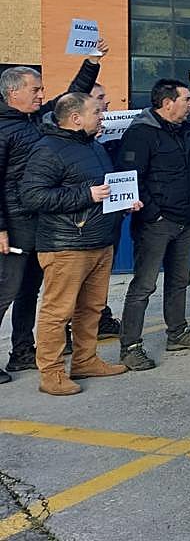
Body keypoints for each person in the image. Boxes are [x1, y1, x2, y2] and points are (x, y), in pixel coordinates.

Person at [0, 43, 106, 384]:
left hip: (41, 223)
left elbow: (71, 100)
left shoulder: (36, 120)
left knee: (31, 291)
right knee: (7, 290)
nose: (41, 94)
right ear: (13, 92)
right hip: (14, 224)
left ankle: (22, 352)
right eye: (36, 90)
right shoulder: (4, 128)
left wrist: (91, 64)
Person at [19, 93, 138, 395]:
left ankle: (85, 360)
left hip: (99, 240)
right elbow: (33, 196)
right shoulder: (47, 149)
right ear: (75, 118)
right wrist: (87, 196)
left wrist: (122, 202)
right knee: (58, 311)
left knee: (92, 308)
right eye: (97, 111)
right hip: (65, 245)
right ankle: (52, 373)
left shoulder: (94, 146)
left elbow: (102, 188)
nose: (103, 116)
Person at [116, 79, 190, 371]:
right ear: (167, 103)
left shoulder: (188, 131)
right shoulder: (141, 134)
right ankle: (130, 347)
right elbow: (131, 176)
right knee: (144, 286)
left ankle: (178, 332)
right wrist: (154, 215)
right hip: (156, 224)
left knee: (179, 281)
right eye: (186, 99)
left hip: (184, 222)